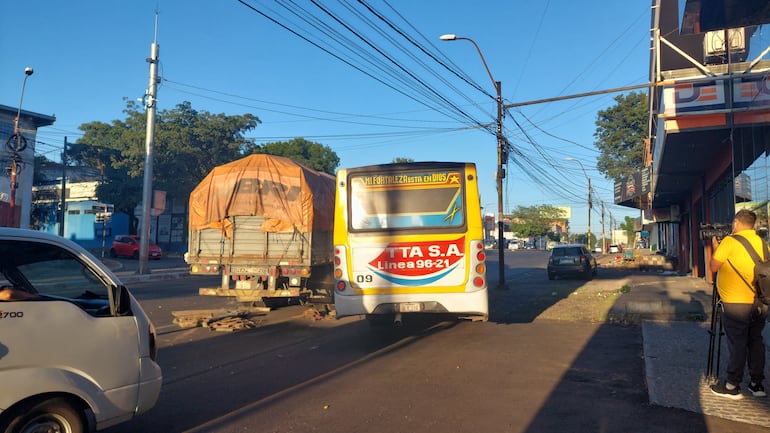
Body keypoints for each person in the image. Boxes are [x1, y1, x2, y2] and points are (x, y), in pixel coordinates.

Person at [709, 208, 768, 399]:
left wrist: (716, 247)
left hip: (736, 303)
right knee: (755, 341)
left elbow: (714, 266)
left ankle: (732, 385)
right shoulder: (762, 243)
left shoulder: (730, 242)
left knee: (738, 343)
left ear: (737, 223)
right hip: (760, 302)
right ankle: (757, 384)